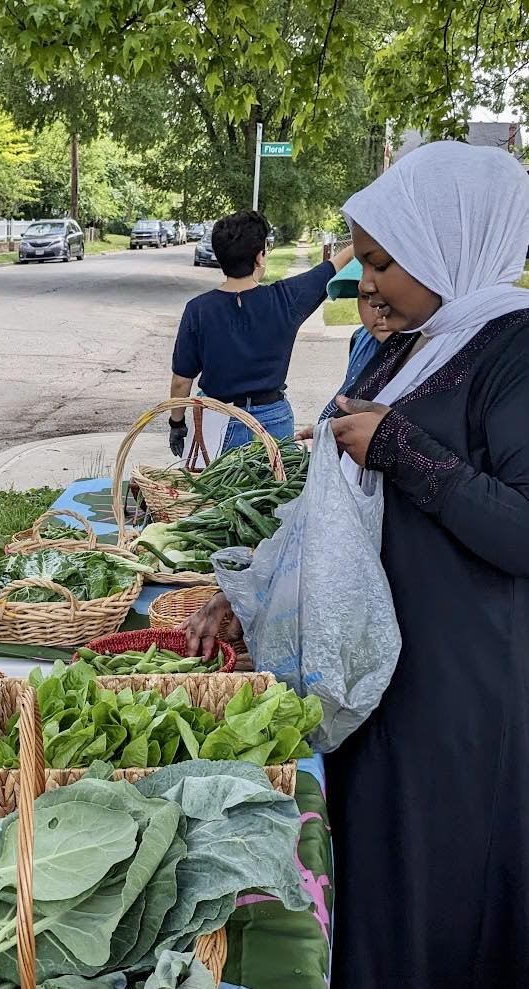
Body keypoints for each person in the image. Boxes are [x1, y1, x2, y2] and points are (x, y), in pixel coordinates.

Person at [183, 140, 529, 986]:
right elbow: (333, 501)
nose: (363, 284)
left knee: (439, 885)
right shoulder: (411, 341)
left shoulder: (510, 349)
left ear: (449, 244)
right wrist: (256, 591)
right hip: (376, 669)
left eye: (380, 263)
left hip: (457, 686)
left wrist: (402, 449)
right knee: (368, 873)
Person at [168, 210, 354, 455]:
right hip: (272, 420)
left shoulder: (198, 310)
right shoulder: (286, 299)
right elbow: (333, 265)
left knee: (215, 492)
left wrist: (177, 423)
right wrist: (362, 240)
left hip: (216, 418)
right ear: (260, 257)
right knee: (274, 490)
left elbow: (182, 380)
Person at [318, 258, 392, 421]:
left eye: (389, 294)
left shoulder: (422, 351)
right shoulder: (360, 337)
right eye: (367, 296)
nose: (379, 310)